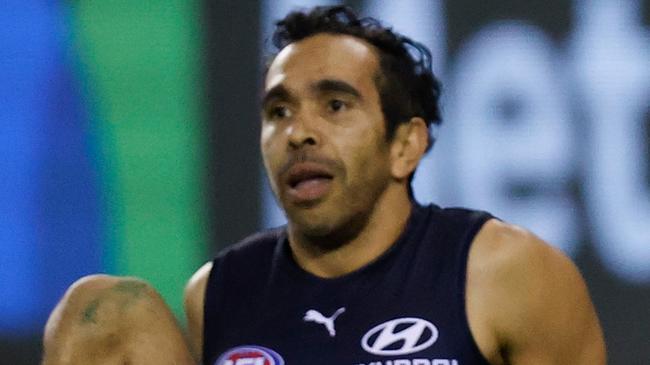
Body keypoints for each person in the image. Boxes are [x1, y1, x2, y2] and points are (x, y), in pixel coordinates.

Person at [43, 5, 606, 365]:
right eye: (278, 111)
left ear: (405, 145)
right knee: (105, 310)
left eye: (335, 105)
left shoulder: (505, 273)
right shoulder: (217, 294)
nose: (298, 133)